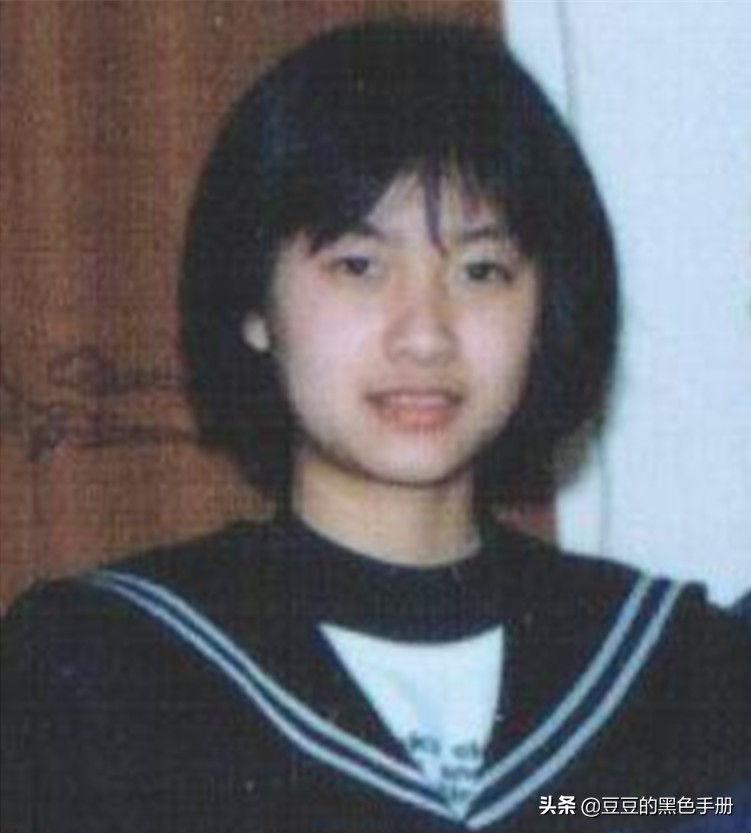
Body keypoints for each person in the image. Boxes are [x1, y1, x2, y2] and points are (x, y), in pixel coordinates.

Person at [1, 19, 748, 833]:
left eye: (481, 270)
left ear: (546, 308)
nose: (424, 335)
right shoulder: (104, 669)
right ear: (255, 305)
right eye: (359, 266)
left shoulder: (673, 670)